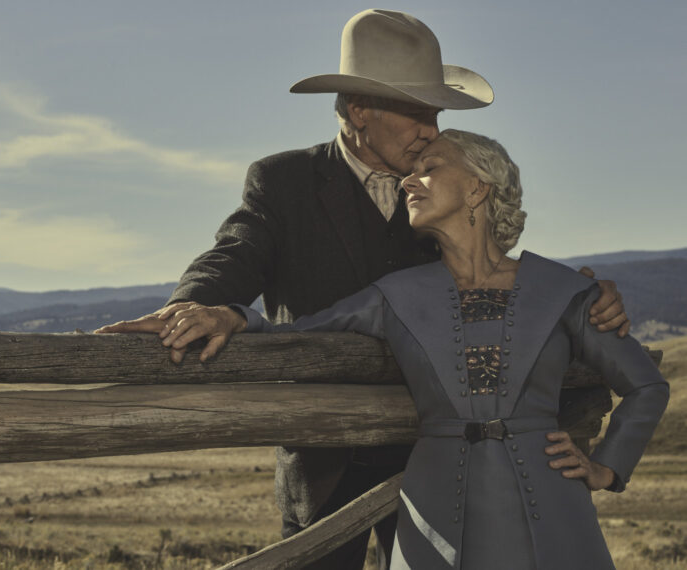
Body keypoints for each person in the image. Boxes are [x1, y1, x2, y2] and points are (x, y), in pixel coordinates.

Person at [97, 9, 629, 568]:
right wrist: (196, 303)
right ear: (359, 110)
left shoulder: (440, 186)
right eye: (417, 112)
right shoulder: (284, 182)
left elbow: (490, 268)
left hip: (440, 458)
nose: (432, 129)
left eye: (436, 114)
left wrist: (578, 298)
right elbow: (238, 251)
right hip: (324, 457)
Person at [146, 129, 669, 569]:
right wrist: (231, 314)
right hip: (435, 502)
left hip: (552, 500)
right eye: (410, 170)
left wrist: (607, 467)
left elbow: (646, 385)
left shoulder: (564, 290)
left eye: (430, 168)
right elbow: (300, 334)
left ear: (478, 190)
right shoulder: (394, 296)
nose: (408, 181)